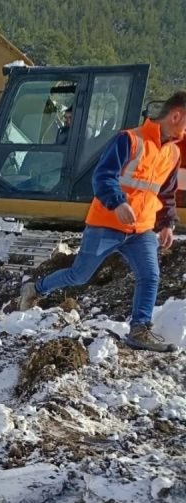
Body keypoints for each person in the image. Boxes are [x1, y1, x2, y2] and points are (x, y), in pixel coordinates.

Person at [20, 91, 186, 352]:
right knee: (79, 274)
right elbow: (103, 176)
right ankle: (36, 289)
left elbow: (165, 192)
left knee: (150, 276)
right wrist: (118, 203)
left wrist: (167, 224)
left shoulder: (173, 153)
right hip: (106, 224)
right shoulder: (130, 139)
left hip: (140, 229)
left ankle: (139, 329)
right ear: (177, 116)